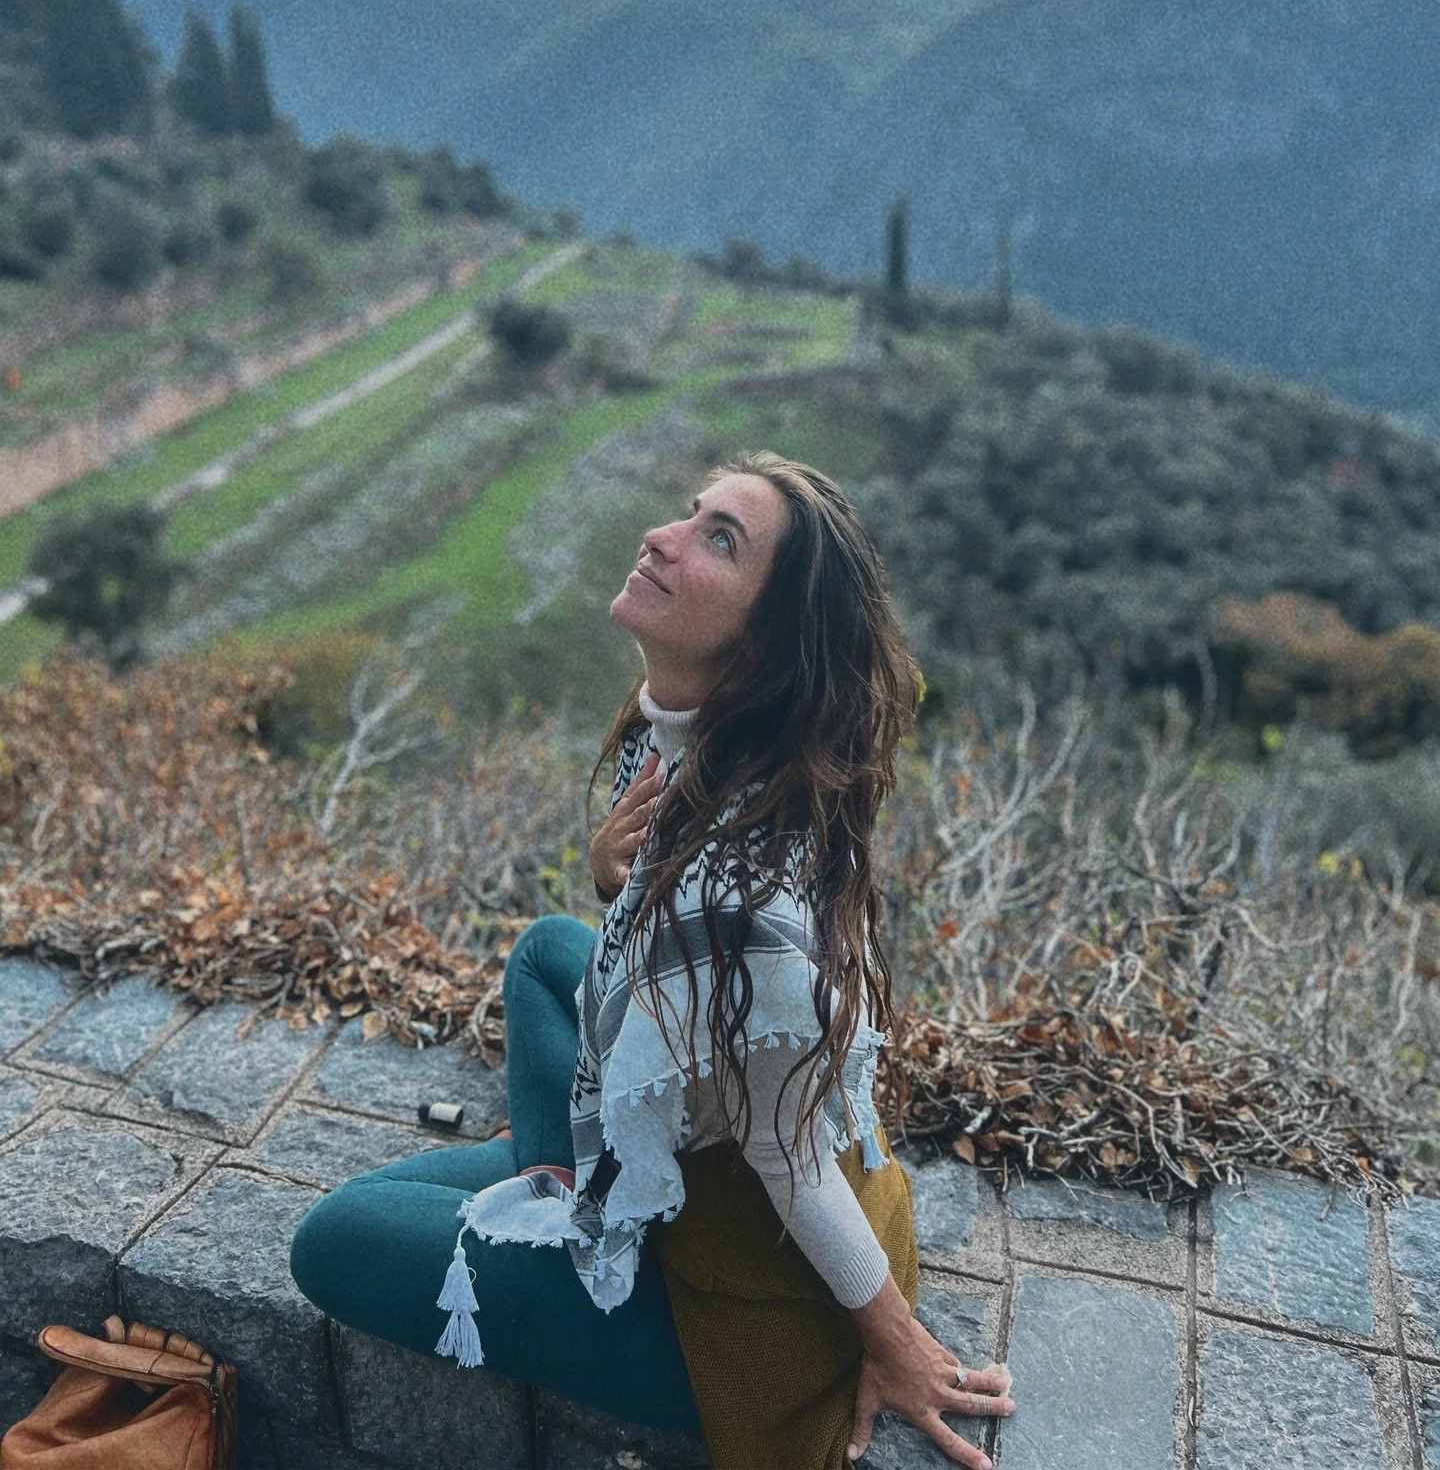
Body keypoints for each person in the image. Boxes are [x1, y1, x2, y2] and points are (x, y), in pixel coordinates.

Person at [290, 452, 1015, 1469]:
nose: (662, 538)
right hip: (707, 1173)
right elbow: (646, 934)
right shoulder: (687, 741)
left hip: (738, 1307)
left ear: (764, 645)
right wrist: (606, 872)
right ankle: (568, 1179)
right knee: (549, 952)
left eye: (721, 540)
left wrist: (894, 1341)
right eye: (692, 513)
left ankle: (569, 1204)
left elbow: (791, 1158)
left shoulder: (739, 894)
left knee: (336, 1237)